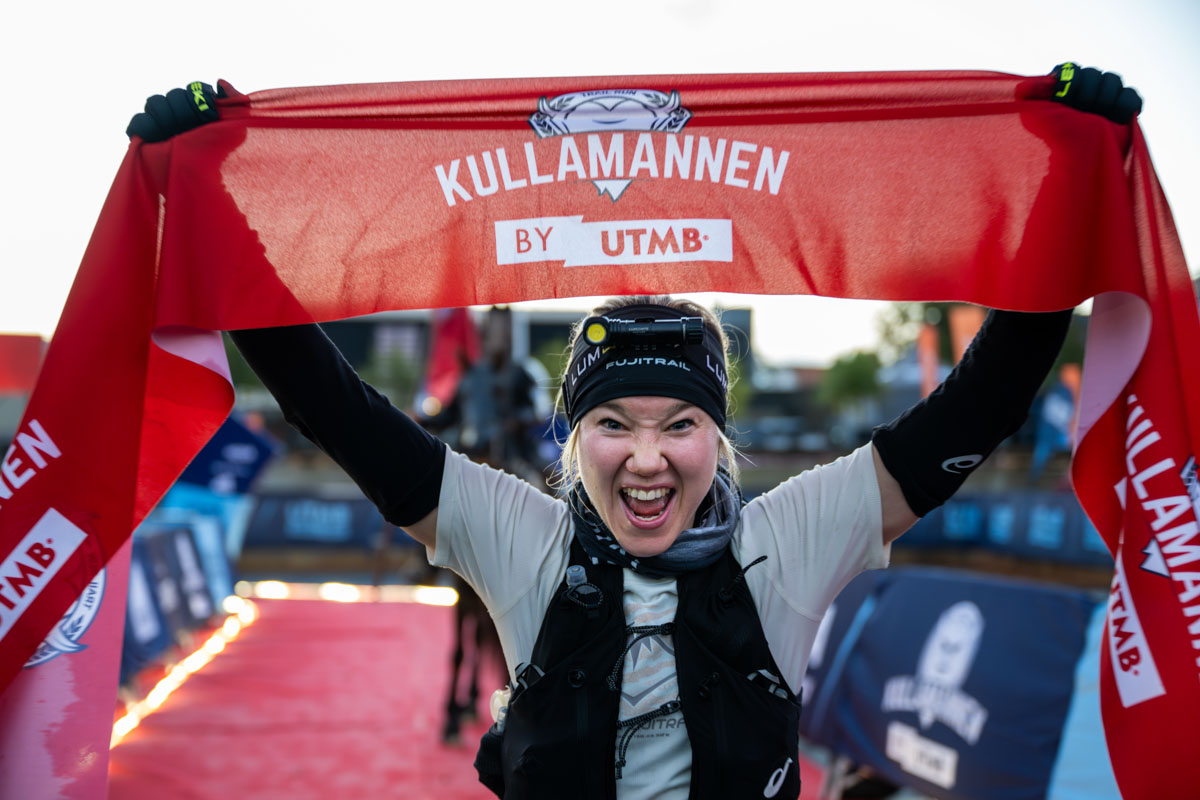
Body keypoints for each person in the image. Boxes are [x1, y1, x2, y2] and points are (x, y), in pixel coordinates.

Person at [127, 65, 1139, 800]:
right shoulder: (516, 531)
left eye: (681, 424)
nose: (648, 457)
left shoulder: (788, 536)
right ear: (573, 437)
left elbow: (985, 399)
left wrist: (1067, 172)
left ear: (720, 437)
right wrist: (213, 196)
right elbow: (329, 400)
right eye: (613, 422)